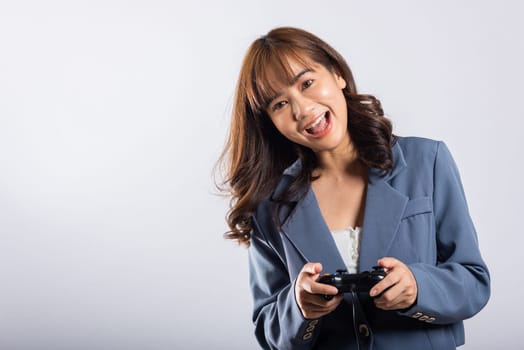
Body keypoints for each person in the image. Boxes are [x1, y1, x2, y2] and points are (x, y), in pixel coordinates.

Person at [218, 26, 490, 350]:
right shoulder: (269, 208)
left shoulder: (426, 161)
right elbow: (268, 331)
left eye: (307, 83)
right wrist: (299, 306)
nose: (302, 110)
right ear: (270, 122)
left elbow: (474, 282)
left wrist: (418, 288)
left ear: (337, 74)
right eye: (279, 104)